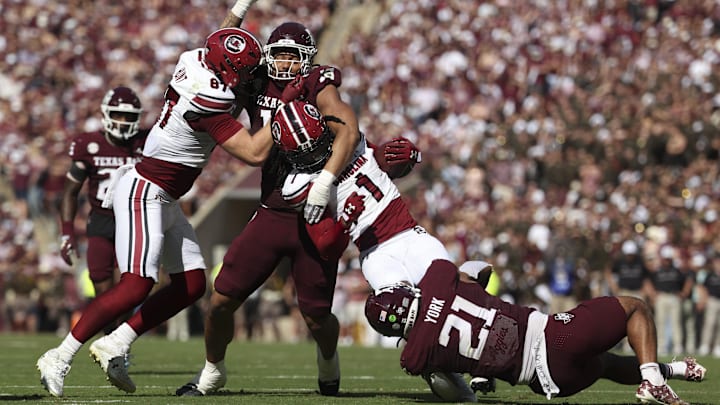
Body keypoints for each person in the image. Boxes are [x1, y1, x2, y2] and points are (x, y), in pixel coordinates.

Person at [177, 15, 421, 396]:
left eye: (294, 56)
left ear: (306, 58)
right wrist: (237, 12)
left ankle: (328, 358)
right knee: (222, 299)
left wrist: (324, 182)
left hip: (315, 215)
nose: (286, 63)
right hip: (273, 210)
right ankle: (212, 370)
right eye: (281, 55)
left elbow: (348, 129)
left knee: (316, 315)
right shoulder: (256, 80)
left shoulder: (317, 83)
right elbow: (216, 52)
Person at [36, 25, 271, 398]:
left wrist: (236, 17)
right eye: (242, 70)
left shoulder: (195, 60)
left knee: (193, 284)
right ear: (224, 70)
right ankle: (59, 355)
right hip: (147, 191)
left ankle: (117, 342)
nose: (249, 77)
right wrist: (282, 111)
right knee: (136, 284)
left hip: (164, 194)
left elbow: (220, 39)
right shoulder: (207, 103)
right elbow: (255, 153)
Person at [272, 100, 492, 402]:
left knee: (453, 294)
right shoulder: (299, 184)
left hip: (409, 235)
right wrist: (345, 220)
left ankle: (484, 353)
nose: (313, 153)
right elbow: (326, 247)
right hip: (374, 252)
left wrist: (402, 156)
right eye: (304, 150)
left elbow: (385, 162)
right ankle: (436, 358)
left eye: (316, 143)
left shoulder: (352, 140)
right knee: (394, 311)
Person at [364, 259, 707, 405]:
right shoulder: (438, 278)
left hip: (548, 382)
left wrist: (479, 372)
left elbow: (455, 392)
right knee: (635, 307)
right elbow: (478, 269)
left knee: (605, 365)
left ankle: (671, 371)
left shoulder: (414, 356)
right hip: (551, 337)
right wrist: (479, 296)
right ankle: (654, 382)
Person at [59, 86, 147, 314]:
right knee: (102, 291)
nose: (123, 121)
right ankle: (110, 340)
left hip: (134, 222)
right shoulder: (89, 145)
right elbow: (69, 191)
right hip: (101, 221)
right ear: (106, 114)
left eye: (129, 116)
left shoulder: (146, 142)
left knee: (130, 289)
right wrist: (67, 232)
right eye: (117, 114)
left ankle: (120, 342)